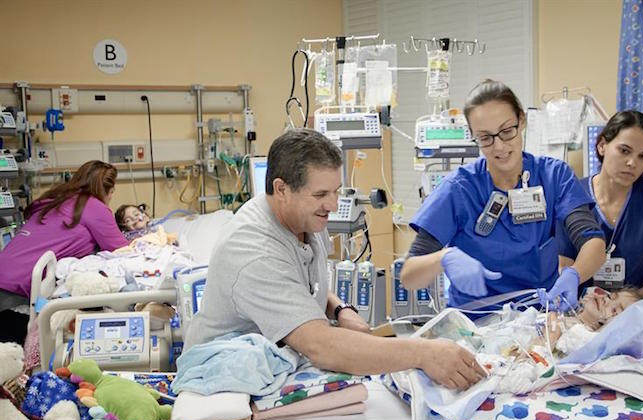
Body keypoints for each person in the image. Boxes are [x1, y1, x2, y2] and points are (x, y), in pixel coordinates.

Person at [184, 128, 486, 390]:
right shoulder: (253, 250)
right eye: (320, 195)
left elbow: (300, 280)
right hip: (223, 380)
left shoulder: (303, 219)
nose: (332, 205)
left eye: (336, 191)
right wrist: (424, 353)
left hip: (275, 363)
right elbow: (321, 345)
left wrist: (339, 308)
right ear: (281, 189)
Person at [400, 79, 606, 313]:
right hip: (474, 327)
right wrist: (444, 258)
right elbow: (409, 276)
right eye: (486, 138)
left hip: (539, 322)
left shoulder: (554, 176)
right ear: (473, 135)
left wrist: (574, 274)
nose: (499, 147)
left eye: (507, 131)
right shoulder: (458, 189)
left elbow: (593, 242)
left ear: (522, 120)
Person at [557, 110, 643, 296]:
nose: (632, 163)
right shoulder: (573, 196)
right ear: (602, 146)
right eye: (624, 151)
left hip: (632, 308)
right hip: (581, 310)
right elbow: (565, 264)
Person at [0, 160, 128, 344]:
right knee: (9, 353)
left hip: (6, 270)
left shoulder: (55, 199)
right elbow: (121, 250)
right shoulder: (94, 206)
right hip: (18, 290)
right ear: (108, 190)